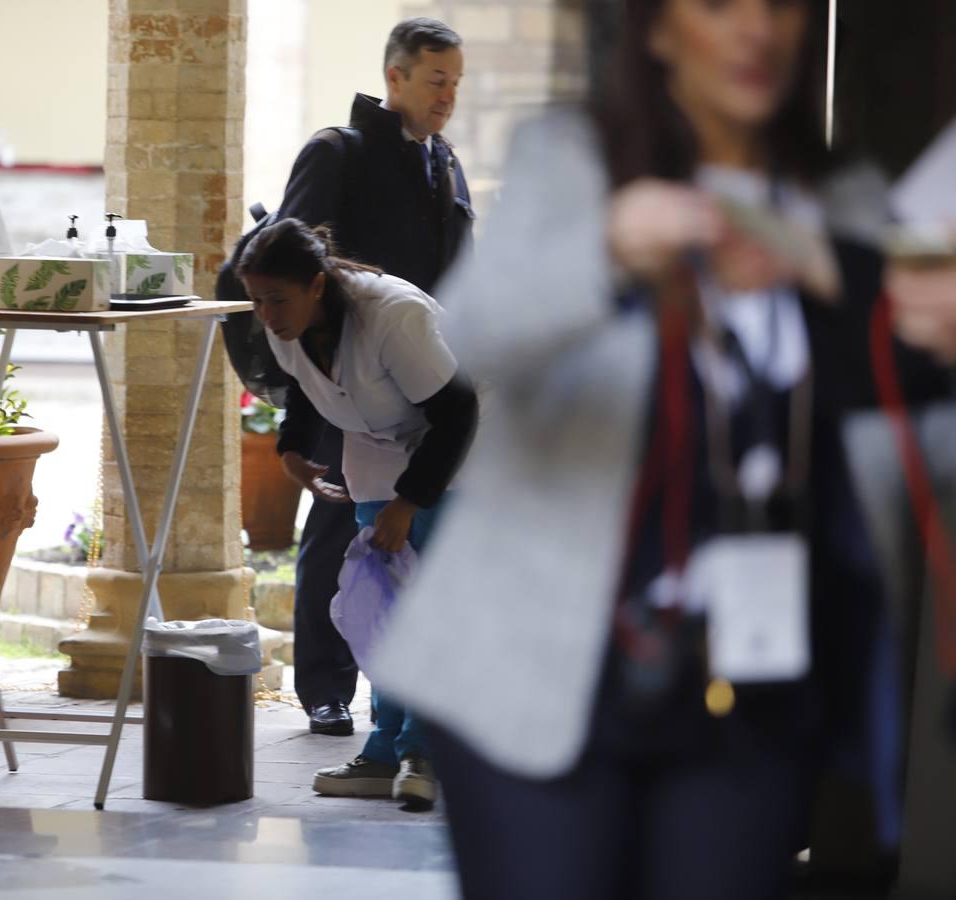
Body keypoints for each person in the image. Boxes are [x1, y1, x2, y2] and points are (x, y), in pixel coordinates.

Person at [369, 0, 954, 897]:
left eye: (782, 7)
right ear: (659, 28)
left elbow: (912, 429)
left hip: (752, 672)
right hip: (538, 669)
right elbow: (480, 335)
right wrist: (605, 250)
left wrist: (859, 291)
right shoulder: (575, 162)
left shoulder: (845, 202)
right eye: (720, 6)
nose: (758, 29)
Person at [271, 16, 475, 737]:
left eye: (454, 80)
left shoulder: (444, 163)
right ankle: (325, 689)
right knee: (335, 530)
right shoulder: (338, 153)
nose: (448, 94)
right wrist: (294, 406)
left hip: (425, 380)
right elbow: (288, 268)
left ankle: (408, 718)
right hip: (345, 373)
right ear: (395, 78)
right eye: (435, 79)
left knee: (416, 539)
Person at [237, 218, 478, 810]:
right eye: (257, 301)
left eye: (277, 299)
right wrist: (292, 451)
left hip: (455, 455)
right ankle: (385, 749)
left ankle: (424, 750)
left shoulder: (393, 315)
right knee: (382, 608)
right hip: (375, 453)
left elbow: (457, 412)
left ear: (317, 285)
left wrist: (408, 503)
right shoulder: (284, 321)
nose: (266, 314)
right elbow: (304, 388)